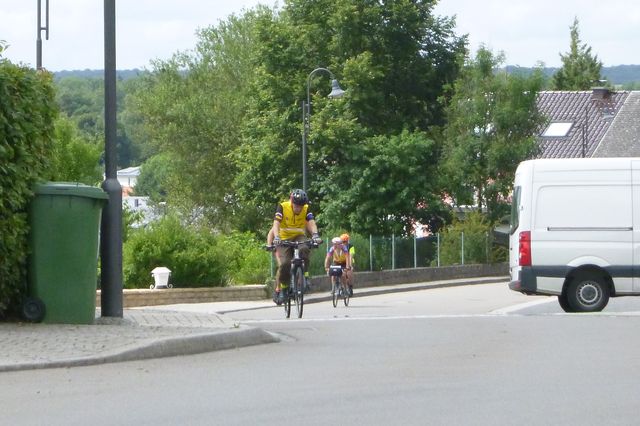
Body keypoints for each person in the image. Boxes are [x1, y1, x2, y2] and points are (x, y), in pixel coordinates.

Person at [268, 189, 322, 304]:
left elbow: (311, 222)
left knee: (305, 249)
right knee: (284, 264)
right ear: (292, 202)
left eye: (301, 206)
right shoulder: (282, 206)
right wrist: (277, 237)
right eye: (297, 206)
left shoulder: (306, 208)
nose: (299, 208)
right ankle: (283, 288)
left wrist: (315, 235)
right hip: (284, 238)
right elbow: (276, 223)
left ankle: (305, 276)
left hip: (299, 236)